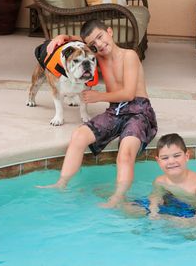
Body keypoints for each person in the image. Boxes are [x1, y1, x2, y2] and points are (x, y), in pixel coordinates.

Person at [39, 19, 157, 207]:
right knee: (78, 135)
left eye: (101, 37)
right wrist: (64, 37)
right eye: (94, 44)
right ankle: (61, 183)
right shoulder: (97, 56)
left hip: (139, 111)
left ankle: (117, 198)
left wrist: (98, 96)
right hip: (114, 111)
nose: (99, 44)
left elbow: (128, 93)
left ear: (110, 32)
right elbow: (83, 40)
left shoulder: (130, 56)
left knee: (125, 152)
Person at [124, 133, 196, 220]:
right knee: (128, 207)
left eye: (176, 156)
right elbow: (155, 197)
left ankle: (169, 220)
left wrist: (194, 219)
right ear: (158, 161)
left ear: (187, 156)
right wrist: (153, 210)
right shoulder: (160, 181)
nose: (171, 161)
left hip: (188, 212)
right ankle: (165, 219)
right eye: (165, 158)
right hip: (168, 206)